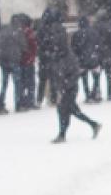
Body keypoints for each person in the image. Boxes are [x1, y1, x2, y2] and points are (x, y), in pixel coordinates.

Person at [39, 9, 100, 143]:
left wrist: (64, 85)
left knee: (66, 109)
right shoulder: (63, 55)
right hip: (67, 83)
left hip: (67, 84)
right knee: (68, 109)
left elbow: (68, 72)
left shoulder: (64, 56)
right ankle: (91, 125)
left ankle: (65, 133)